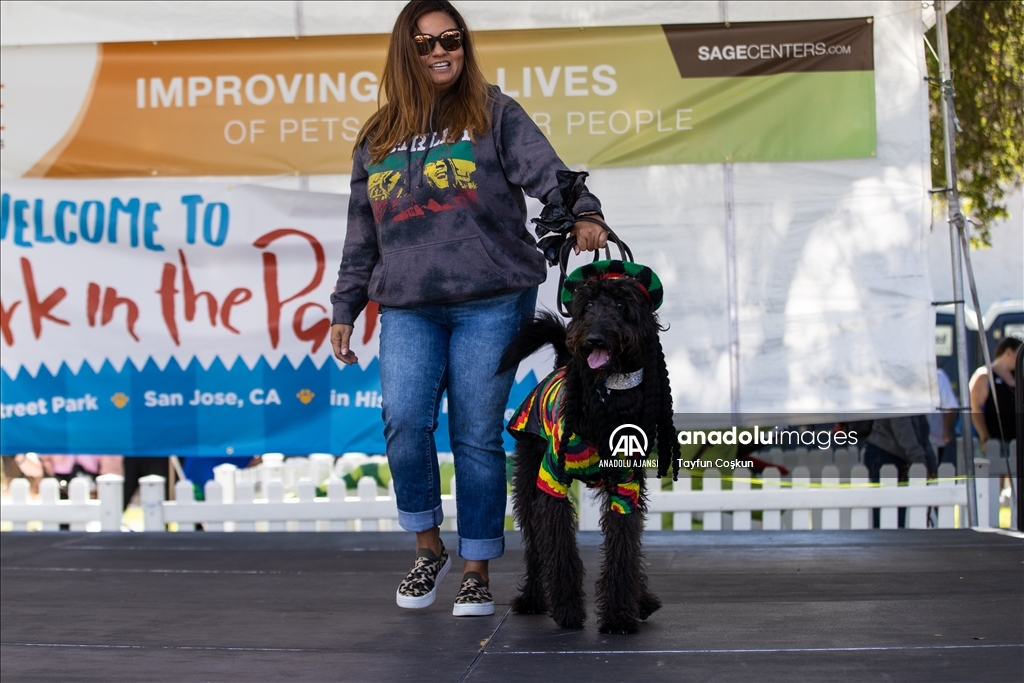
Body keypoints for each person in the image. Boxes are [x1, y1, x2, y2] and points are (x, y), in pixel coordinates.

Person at [329, 0, 608, 617]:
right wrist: (346, 306)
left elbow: (548, 173)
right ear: (406, 51)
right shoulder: (376, 137)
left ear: (464, 45)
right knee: (404, 422)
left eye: (450, 40)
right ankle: (429, 547)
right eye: (425, 43)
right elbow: (360, 233)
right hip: (408, 305)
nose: (439, 51)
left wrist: (583, 211)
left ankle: (477, 567)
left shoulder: (495, 112)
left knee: (476, 434)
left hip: (493, 298)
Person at [864, 416, 935, 528]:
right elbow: (903, 429)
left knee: (889, 516)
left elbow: (921, 431)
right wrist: (921, 462)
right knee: (890, 517)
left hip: (890, 454)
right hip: (886, 455)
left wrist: (928, 463)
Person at [969, 336, 1020, 453]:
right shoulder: (984, 375)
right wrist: (985, 437)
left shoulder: (1017, 375)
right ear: (1008, 352)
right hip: (996, 443)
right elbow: (975, 408)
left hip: (1017, 442)